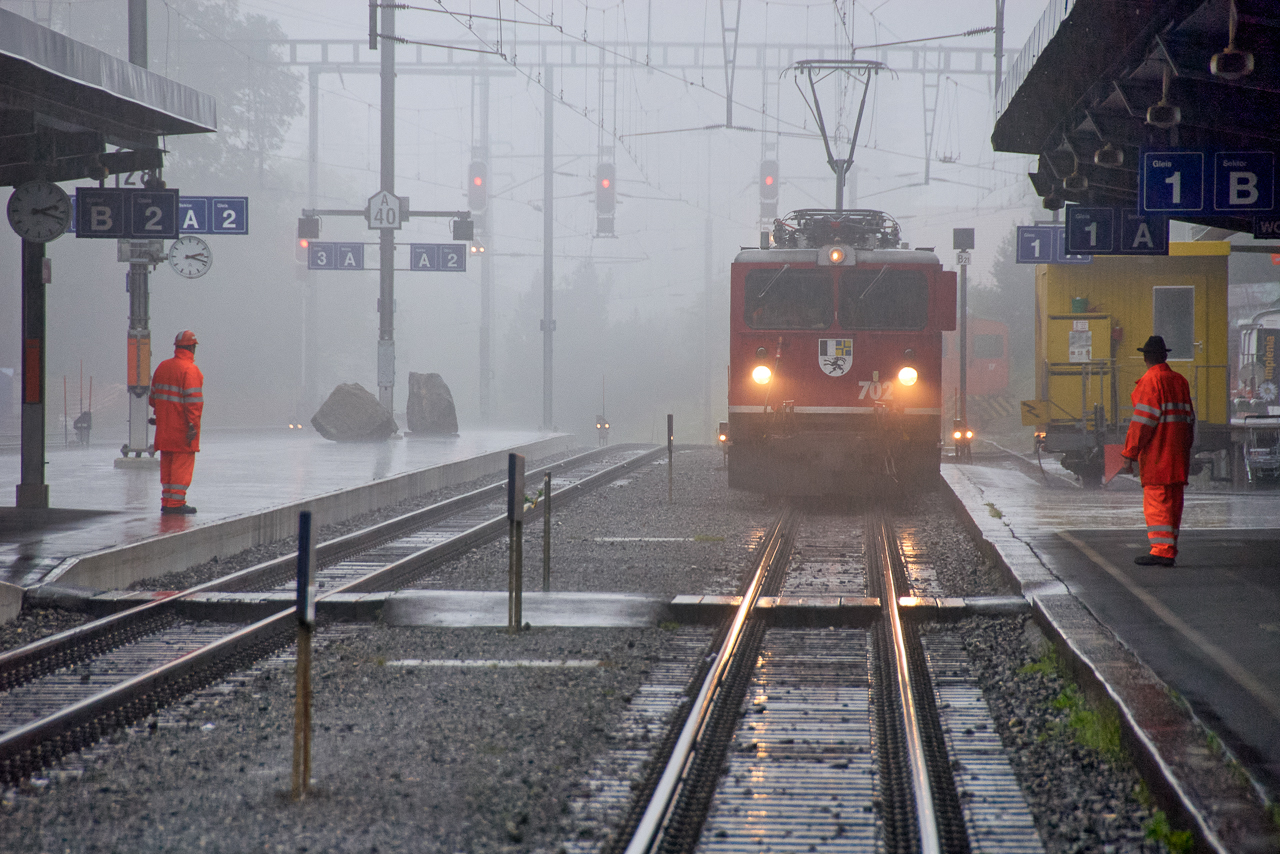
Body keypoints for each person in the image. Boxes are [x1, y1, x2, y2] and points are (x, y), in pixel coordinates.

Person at [1121, 335, 1195, 566]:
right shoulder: (1180, 381)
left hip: (1157, 455)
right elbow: (1190, 419)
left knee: (1157, 502)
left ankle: (1162, 550)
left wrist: (1130, 453)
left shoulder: (1150, 382)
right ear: (1165, 356)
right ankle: (1169, 548)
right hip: (1178, 454)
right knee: (1174, 504)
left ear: (1146, 357)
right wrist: (1186, 448)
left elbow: (1143, 422)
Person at [149, 330, 204, 515]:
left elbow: (153, 399)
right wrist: (192, 427)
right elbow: (194, 404)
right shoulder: (190, 370)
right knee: (181, 469)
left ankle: (167, 501)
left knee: (168, 469)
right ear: (191, 347)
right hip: (182, 431)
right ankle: (176, 504)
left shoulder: (163, 367)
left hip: (164, 430)